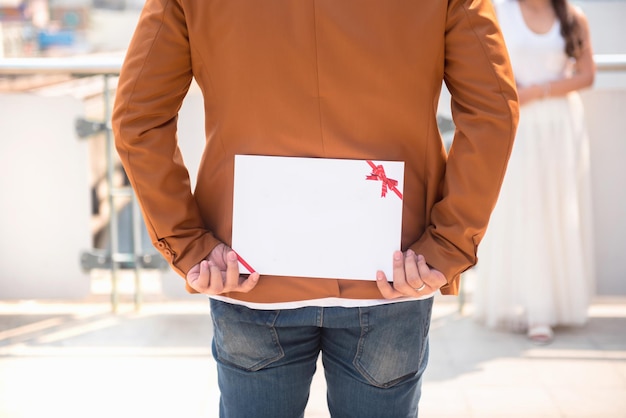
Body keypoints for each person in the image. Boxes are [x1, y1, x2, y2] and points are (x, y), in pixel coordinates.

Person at [112, 1, 518, 416]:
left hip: (249, 272)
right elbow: (493, 112)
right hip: (395, 268)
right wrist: (446, 245)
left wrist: (190, 245)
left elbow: (136, 118)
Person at [473, 0, 596, 344]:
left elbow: (587, 75)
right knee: (518, 209)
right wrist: (515, 94)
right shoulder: (499, 10)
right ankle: (525, 305)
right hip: (519, 124)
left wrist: (538, 91)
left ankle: (549, 308)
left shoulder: (573, 16)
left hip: (559, 126)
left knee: (556, 213)